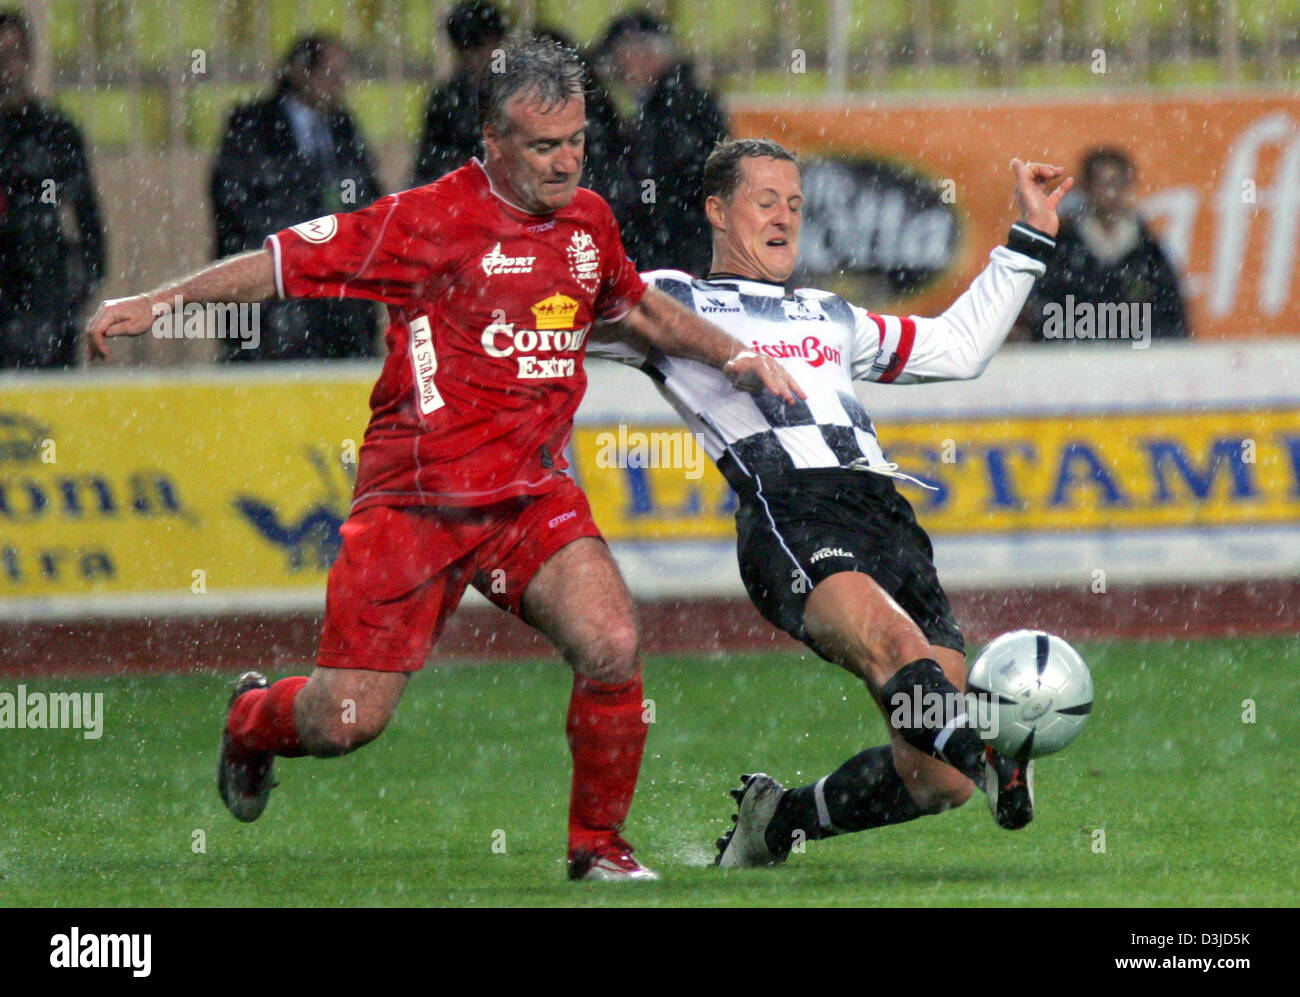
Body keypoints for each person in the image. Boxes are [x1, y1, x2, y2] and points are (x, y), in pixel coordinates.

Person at [87, 42, 801, 883]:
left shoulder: (588, 223)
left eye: (575, 140)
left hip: (528, 497)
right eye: (544, 146)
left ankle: (598, 847)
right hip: (414, 501)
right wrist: (158, 303)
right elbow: (284, 263)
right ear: (492, 141)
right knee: (345, 719)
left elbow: (637, 308)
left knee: (611, 641)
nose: (566, 160)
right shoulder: (426, 219)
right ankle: (251, 721)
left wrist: (733, 355)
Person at [587, 138, 1071, 867]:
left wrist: (1029, 239)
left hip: (888, 518)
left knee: (935, 781)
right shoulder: (674, 299)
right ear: (718, 210)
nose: (786, 217)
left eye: (796, 204)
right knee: (897, 652)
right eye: (766, 201)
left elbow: (959, 349)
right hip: (792, 509)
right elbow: (553, 320)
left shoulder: (830, 313)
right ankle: (988, 752)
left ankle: (776, 823)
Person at [211, 34, 381, 361]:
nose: (339, 86)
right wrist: (304, 245)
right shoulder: (251, 124)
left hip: (339, 302)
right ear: (300, 71)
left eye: (342, 77)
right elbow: (235, 203)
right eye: (331, 75)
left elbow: (367, 195)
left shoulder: (344, 126)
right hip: (270, 295)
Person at [0, 8, 105, 369]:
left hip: (46, 295)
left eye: (14, 53)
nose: (6, 66)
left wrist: (83, 281)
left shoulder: (56, 132)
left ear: (28, 57)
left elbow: (87, 215)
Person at [595, 11, 728, 275]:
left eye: (621, 57)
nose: (618, 70)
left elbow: (660, 181)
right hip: (677, 246)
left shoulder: (678, 107)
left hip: (676, 249)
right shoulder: (668, 102)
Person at [1023, 145, 1188, 343]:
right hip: (1072, 362)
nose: (1111, 193)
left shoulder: (1150, 252)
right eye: (1102, 184)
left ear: (1130, 187)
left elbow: (1172, 319)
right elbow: (1043, 314)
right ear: (1087, 188)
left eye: (1118, 183)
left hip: (1137, 362)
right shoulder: (1062, 248)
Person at [411, 0, 509, 187]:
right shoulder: (447, 101)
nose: (478, 64)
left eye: (483, 54)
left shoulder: (518, 92)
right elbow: (429, 169)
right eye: (471, 57)